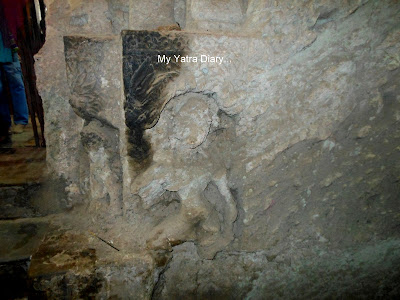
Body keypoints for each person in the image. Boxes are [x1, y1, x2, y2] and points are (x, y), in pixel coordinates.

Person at [0, 0, 29, 143]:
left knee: (16, 82)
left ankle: (21, 120)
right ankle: (4, 124)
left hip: (8, 44)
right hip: (6, 43)